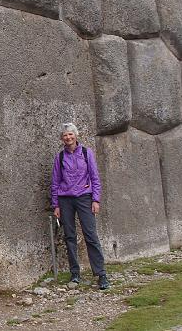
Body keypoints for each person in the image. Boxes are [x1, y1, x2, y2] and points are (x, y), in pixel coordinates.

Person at [51, 122, 109, 290]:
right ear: (62, 139)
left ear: (76, 136)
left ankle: (101, 274)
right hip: (65, 200)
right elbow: (55, 182)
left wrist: (95, 199)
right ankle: (75, 274)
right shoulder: (60, 157)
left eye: (70, 134)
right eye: (65, 135)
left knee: (91, 235)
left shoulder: (86, 152)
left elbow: (95, 177)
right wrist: (56, 205)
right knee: (69, 236)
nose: (68, 137)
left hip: (84, 197)